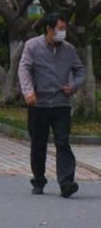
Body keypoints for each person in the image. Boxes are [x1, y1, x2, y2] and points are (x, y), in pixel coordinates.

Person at [18, 13, 86, 198]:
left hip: (61, 104)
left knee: (63, 142)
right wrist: (28, 92)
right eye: (60, 29)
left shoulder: (69, 50)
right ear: (49, 29)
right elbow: (24, 69)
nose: (63, 33)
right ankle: (38, 180)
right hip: (38, 105)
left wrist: (73, 86)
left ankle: (66, 183)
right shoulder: (32, 46)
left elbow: (80, 71)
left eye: (64, 29)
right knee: (38, 143)